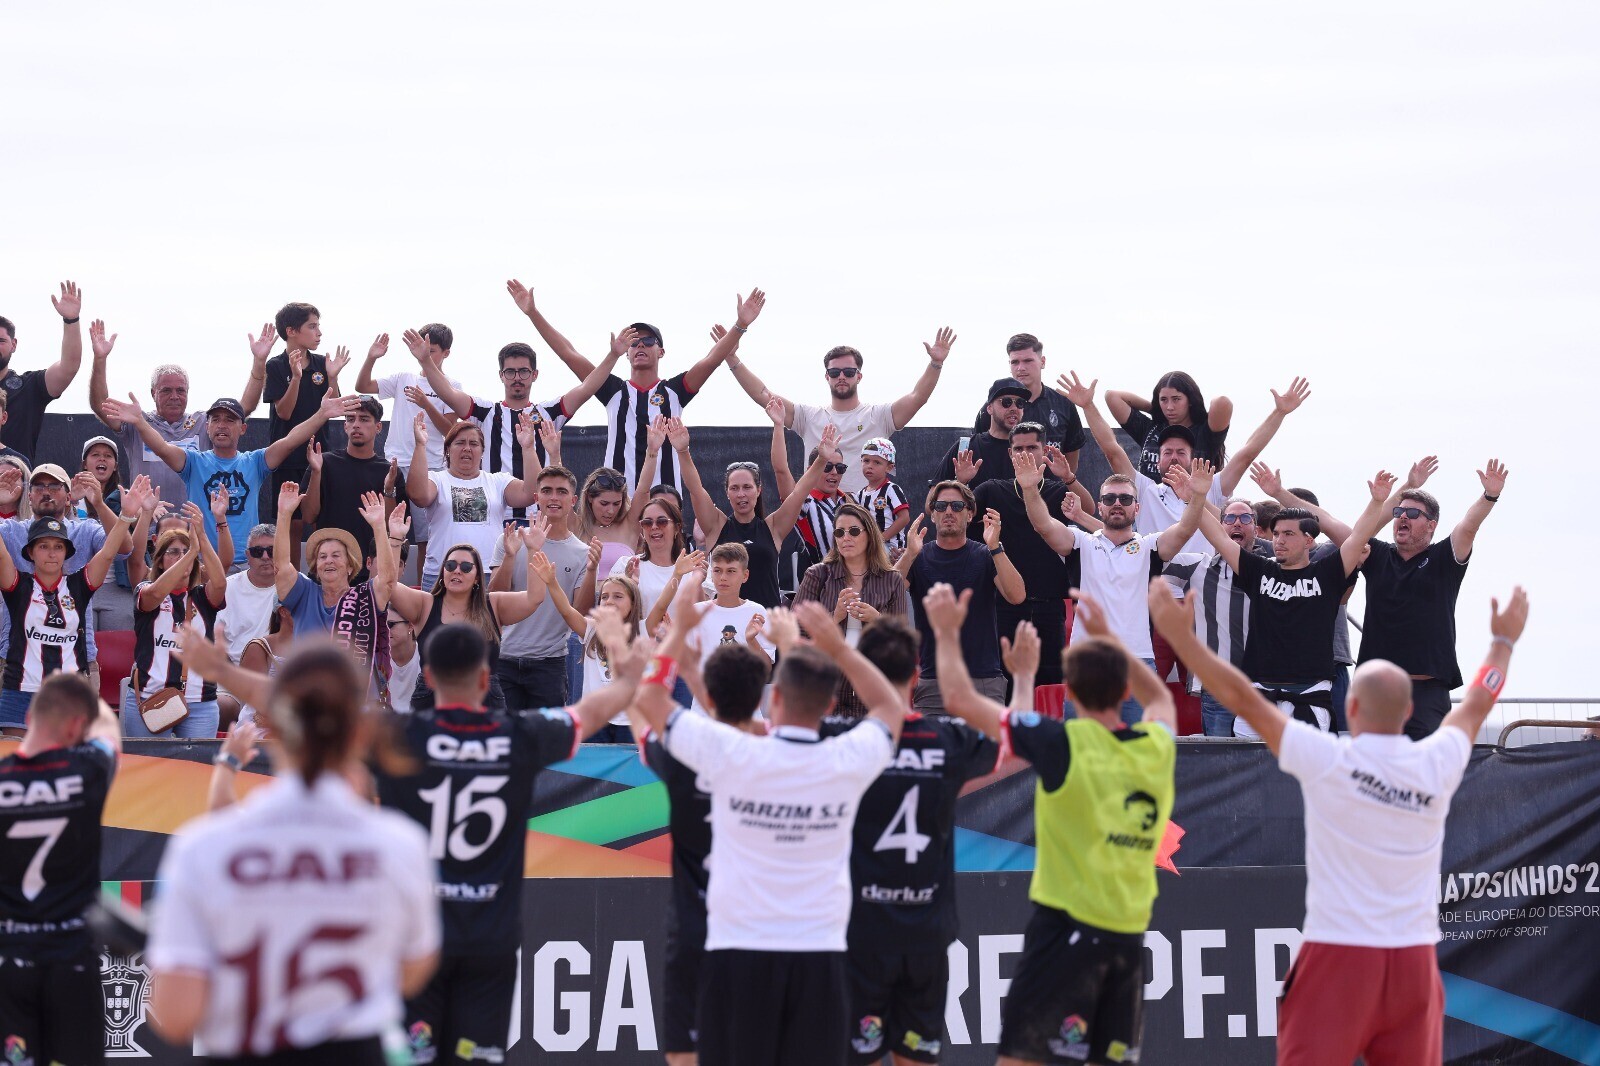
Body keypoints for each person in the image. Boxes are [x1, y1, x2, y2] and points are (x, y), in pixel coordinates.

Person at [1150, 579, 1529, 1066]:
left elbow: (1243, 699)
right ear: (1409, 710)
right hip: (1413, 962)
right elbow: (1478, 700)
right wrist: (1503, 642)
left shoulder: (1330, 760)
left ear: (1350, 706)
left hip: (1340, 953)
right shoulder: (1436, 762)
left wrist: (1184, 642)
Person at [631, 594, 911, 1066]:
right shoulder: (842, 760)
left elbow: (649, 699)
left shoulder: (733, 753)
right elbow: (890, 706)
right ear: (828, 705)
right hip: (819, 954)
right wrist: (837, 648)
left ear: (773, 699)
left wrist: (678, 634)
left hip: (738, 951)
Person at [147, 638, 440, 1063]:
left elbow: (175, 1017)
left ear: (273, 727)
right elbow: (412, 973)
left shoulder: (202, 848)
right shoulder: (399, 845)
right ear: (361, 732)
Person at [373, 618, 648, 1066]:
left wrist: (240, 676)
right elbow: (593, 712)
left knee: (412, 1057)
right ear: (486, 679)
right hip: (488, 944)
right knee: (473, 1059)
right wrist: (629, 674)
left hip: (416, 944)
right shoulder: (517, 735)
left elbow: (307, 709)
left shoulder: (397, 738)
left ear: (428, 677)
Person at [928, 583, 1176, 1066]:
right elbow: (1162, 698)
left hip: (1065, 937)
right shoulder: (1157, 747)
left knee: (1020, 1060)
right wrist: (1111, 640)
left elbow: (958, 697)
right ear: (1125, 689)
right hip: (1127, 942)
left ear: (1069, 692)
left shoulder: (1064, 743)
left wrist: (946, 633)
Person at [820, 618, 1001, 1066]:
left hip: (862, 933)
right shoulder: (948, 739)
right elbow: (1013, 740)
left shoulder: (842, 741)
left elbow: (770, 733)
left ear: (860, 676)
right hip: (926, 935)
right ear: (917, 677)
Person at [628, 636, 770, 1066]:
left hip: (696, 931)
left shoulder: (685, 758)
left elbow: (642, 717)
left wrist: (632, 660)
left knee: (685, 1054)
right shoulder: (781, 761)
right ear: (761, 699)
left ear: (707, 698)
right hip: (759, 932)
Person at [1014, 452, 1211, 723]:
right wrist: (1029, 489)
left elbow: (1185, 529)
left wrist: (1197, 496)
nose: (1117, 504)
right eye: (1109, 499)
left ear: (1136, 508)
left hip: (1138, 664)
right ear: (1100, 507)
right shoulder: (1080, 543)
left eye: (1125, 499)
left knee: (1137, 746)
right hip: (1087, 663)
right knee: (1084, 746)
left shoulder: (1150, 546)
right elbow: (1043, 525)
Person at [1194, 471, 1396, 736]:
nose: (1279, 540)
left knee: (1307, 764)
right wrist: (1195, 497)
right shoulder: (1259, 570)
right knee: (1247, 763)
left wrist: (1377, 502)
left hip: (1310, 695)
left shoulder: (1327, 572)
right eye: (1277, 533)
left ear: (1308, 540)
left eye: (1288, 534)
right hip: (1258, 695)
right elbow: (1219, 538)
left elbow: (1358, 537)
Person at [512, 280, 762, 490]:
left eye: (648, 340)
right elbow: (569, 354)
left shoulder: (675, 390)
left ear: (661, 351)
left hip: (663, 502)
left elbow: (712, 359)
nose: (640, 344)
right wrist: (533, 312)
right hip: (617, 502)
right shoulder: (612, 390)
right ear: (627, 353)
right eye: (633, 341)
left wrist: (740, 325)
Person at [0, 673, 121, 1066]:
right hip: (72, 957)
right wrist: (84, 693)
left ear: (29, 717)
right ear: (75, 727)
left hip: (10, 960)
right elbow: (109, 732)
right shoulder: (87, 768)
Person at [102, 390, 362, 568]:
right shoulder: (193, 462)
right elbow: (160, 447)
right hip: (201, 562)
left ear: (243, 428)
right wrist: (140, 422)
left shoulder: (255, 462)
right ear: (207, 427)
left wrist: (321, 414)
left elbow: (291, 440)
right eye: (215, 419)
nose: (222, 425)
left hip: (250, 562)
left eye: (230, 420)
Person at [1062, 371, 1309, 555]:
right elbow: (1112, 450)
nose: (1174, 457)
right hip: (1158, 587)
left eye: (1181, 452)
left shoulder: (1212, 487)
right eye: (1167, 452)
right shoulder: (1146, 490)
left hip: (1203, 589)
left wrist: (1279, 412)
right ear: (1157, 459)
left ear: (1193, 457)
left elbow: (1247, 453)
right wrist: (1088, 406)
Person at [1357, 456, 1509, 739]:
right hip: (1376, 691)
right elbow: (1359, 534)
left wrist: (1489, 496)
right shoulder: (1376, 555)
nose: (1403, 517)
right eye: (1399, 512)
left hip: (1425, 694)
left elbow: (1469, 526)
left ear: (1431, 525)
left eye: (1413, 514)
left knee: (1424, 765)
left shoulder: (1443, 557)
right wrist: (1406, 486)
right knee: (1373, 766)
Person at [725, 324, 956, 495]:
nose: (842, 377)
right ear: (827, 377)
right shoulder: (808, 417)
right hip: (817, 515)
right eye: (835, 373)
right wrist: (732, 358)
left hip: (866, 518)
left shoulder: (879, 416)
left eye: (849, 372)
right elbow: (763, 395)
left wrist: (936, 364)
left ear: (859, 376)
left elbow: (918, 397)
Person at [0, 483, 140, 732]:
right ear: (30, 552)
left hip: (69, 696)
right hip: (21, 692)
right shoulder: (17, 585)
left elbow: (108, 553)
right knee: (17, 757)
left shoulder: (79, 585)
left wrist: (126, 516)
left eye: (58, 547)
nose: (51, 553)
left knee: (68, 757)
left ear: (67, 552)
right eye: (43, 546)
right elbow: (1, 555)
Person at [972, 423, 1099, 689]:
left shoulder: (1057, 490)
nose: (1025, 454)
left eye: (1032, 447)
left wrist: (1069, 478)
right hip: (1004, 604)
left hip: (1049, 605)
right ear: (1010, 453)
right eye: (1018, 449)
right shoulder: (991, 489)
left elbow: (1089, 512)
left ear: (1044, 451)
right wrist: (960, 482)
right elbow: (957, 512)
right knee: (1005, 681)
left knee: (1050, 683)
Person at [672, 417, 835, 609]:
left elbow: (799, 493)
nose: (741, 494)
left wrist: (821, 460)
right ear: (727, 493)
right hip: (726, 621)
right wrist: (682, 451)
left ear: (759, 490)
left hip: (767, 618)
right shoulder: (716, 526)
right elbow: (695, 489)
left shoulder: (773, 528)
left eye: (747, 487)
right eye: (735, 488)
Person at [895, 480, 1025, 712]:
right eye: (941, 506)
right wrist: (909, 554)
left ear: (970, 514)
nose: (948, 512)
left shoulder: (986, 555)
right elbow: (886, 595)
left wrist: (995, 547)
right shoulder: (918, 556)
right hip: (933, 681)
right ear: (932, 514)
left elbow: (1017, 596)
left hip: (983, 679)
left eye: (956, 506)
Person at [388, 526, 548, 713]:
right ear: (443, 572)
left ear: (477, 577)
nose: (457, 571)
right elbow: (389, 585)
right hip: (433, 699)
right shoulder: (425, 604)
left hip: (484, 700)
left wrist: (533, 550)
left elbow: (534, 598)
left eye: (465, 567)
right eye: (450, 565)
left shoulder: (494, 604)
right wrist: (395, 539)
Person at [1158, 496, 1276, 736]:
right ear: (1220, 526)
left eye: (1245, 518)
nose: (1237, 523)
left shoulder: (1274, 569)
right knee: (1219, 754)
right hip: (1217, 686)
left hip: (1263, 685)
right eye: (1229, 518)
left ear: (1256, 529)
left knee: (1260, 756)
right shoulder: (1196, 566)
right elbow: (1146, 553)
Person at [272, 485, 397, 695]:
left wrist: (378, 527)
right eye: (322, 557)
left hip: (358, 702)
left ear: (350, 566)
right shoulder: (303, 593)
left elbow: (387, 580)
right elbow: (281, 567)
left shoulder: (365, 597)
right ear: (316, 568)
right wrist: (284, 515)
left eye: (336, 555)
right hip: (311, 699)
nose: (328, 561)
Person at [794, 502, 910, 716]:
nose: (845, 537)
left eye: (854, 531)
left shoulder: (891, 579)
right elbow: (795, 632)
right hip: (825, 686)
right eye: (839, 532)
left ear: (870, 534)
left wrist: (877, 620)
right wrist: (834, 616)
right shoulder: (817, 575)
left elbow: (902, 641)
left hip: (872, 688)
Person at [488, 465, 590, 709]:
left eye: (561, 492)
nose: (554, 497)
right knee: (503, 732)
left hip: (550, 664)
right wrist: (510, 557)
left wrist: (594, 570)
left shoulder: (583, 553)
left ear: (573, 500)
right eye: (546, 491)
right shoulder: (510, 539)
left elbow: (580, 613)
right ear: (536, 498)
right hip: (504, 658)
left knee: (546, 734)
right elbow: (493, 597)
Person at [124, 504, 228, 739]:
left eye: (185, 551)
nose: (181, 556)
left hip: (200, 701)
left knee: (198, 764)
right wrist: (191, 553)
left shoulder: (202, 596)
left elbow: (220, 583)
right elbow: (154, 594)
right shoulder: (145, 589)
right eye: (173, 552)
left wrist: (201, 537)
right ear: (160, 561)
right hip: (151, 698)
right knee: (147, 763)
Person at [258, 302, 351, 564]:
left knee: (323, 520)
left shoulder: (322, 363)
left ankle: (325, 576)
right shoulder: (276, 366)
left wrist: (333, 377)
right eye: (312, 326)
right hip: (288, 458)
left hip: (320, 455)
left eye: (318, 326)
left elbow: (335, 407)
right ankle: (290, 579)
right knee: (293, 524)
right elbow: (284, 412)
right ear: (291, 331)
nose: (319, 332)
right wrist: (296, 378)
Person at [406, 416, 542, 590]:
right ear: (447, 450)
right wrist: (420, 445)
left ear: (482, 451)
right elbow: (418, 495)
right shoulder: (436, 479)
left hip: (488, 574)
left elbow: (531, 493)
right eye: (460, 443)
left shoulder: (498, 481)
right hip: (442, 573)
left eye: (474, 444)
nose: (467, 448)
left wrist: (528, 448)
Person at [87, 320, 211, 505]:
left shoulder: (203, 422)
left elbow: (242, 410)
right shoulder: (137, 421)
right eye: (166, 390)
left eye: (180, 390)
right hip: (147, 521)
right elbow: (100, 405)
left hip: (194, 521)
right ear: (153, 393)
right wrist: (99, 359)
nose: (174, 396)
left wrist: (256, 364)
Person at [534, 561, 644, 741]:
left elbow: (661, 606)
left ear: (633, 603)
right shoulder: (591, 629)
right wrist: (552, 582)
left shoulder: (642, 630)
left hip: (628, 721)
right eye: (604, 597)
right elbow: (567, 611)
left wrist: (677, 575)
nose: (609, 601)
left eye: (618, 596)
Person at [574, 421, 664, 610]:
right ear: (589, 498)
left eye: (617, 503)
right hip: (584, 614)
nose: (610, 510)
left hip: (623, 612)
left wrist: (653, 452)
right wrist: (553, 454)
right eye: (604, 503)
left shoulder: (630, 525)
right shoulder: (576, 525)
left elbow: (643, 489)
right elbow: (555, 492)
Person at [303, 395, 398, 567]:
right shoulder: (323, 463)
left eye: (364, 419)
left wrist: (389, 490)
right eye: (351, 419)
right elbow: (309, 516)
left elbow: (391, 529)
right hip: (329, 568)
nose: (356, 425)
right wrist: (316, 472)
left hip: (370, 570)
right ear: (345, 426)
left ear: (378, 427)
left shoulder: (388, 472)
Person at [970, 333, 1087, 466]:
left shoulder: (1063, 403)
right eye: (1015, 362)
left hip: (1049, 479)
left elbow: (1072, 453)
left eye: (1028, 361)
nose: (1021, 368)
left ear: (1042, 362)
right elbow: (979, 449)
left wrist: (1062, 479)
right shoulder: (994, 408)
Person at [0, 281, 85, 461]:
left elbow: (69, 366)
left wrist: (71, 321)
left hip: (18, 477)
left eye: (1, 341)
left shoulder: (29, 387)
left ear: (13, 345)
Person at [1105, 370, 1234, 483]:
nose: (1169, 407)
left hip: (1192, 500)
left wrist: (1198, 409)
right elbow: (1112, 396)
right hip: (1151, 500)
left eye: (1176, 399)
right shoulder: (1151, 429)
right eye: (1164, 400)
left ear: (1190, 400)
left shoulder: (1205, 433)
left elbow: (1222, 402)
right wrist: (1155, 410)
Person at [687, 544, 775, 707]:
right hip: (704, 708)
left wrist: (752, 641)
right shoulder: (696, 611)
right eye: (717, 570)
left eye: (731, 571)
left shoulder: (757, 612)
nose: (723, 577)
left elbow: (766, 667)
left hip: (744, 707)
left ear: (745, 575)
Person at [935, 378, 1030, 490]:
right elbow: (932, 498)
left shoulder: (1032, 450)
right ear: (989, 408)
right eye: (1006, 402)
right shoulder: (965, 448)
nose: (1014, 408)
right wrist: (960, 482)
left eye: (1020, 403)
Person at [855, 437, 911, 557]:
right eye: (866, 461)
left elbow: (904, 518)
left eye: (877, 462)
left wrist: (880, 538)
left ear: (889, 467)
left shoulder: (891, 489)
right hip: (869, 546)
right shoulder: (859, 495)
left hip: (890, 547)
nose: (870, 466)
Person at [236, 604, 293, 724]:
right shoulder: (259, 648)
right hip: (261, 728)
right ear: (283, 612)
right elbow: (256, 701)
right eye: (304, 607)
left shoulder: (317, 647)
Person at [387, 607, 422, 711]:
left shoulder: (426, 655)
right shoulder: (375, 658)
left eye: (390, 624)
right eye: (381, 625)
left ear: (410, 626)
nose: (384, 629)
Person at [0, 457, 29, 521]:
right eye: (1, 476)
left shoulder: (35, 517)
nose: (6, 481)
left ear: (24, 484)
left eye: (13, 476)